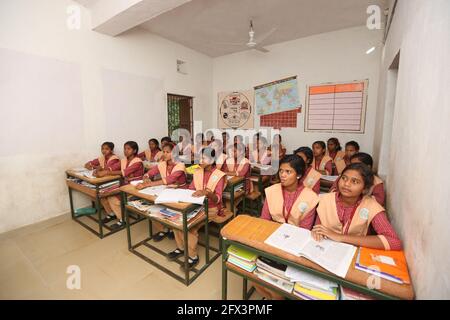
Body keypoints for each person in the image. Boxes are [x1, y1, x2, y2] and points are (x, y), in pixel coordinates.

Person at [312, 163, 401, 250]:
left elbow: (394, 242)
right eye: (344, 178)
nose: (346, 184)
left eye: (354, 181)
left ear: (365, 188)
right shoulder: (325, 199)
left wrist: (340, 237)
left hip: (353, 252)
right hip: (326, 248)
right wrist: (317, 231)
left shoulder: (372, 206)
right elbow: (318, 227)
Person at [168, 147, 228, 269]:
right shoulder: (198, 170)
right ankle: (181, 248)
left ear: (211, 161)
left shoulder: (219, 175)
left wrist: (207, 193)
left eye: (203, 158)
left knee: (189, 227)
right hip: (197, 205)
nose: (200, 160)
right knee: (177, 220)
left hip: (211, 208)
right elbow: (191, 188)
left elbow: (217, 199)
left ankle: (193, 257)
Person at [100, 141, 144, 230]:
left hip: (135, 187)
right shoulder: (124, 160)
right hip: (124, 184)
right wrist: (100, 170)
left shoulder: (138, 161)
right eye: (124, 149)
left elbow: (125, 172)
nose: (125, 151)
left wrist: (107, 172)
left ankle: (122, 220)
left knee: (111, 198)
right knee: (102, 194)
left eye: (128, 149)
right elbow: (113, 167)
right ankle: (112, 214)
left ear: (134, 150)